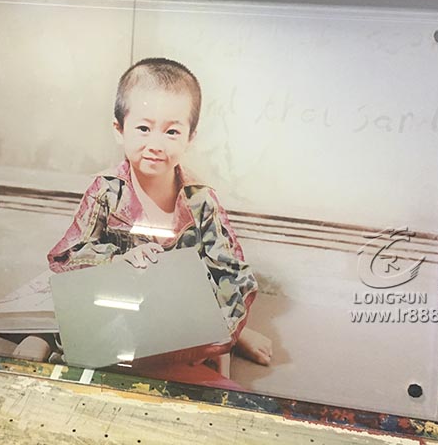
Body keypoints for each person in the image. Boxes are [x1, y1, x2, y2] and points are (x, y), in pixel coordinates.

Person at [46, 58, 272, 373]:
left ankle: (232, 340)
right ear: (119, 130)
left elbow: (232, 272)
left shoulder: (200, 199)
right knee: (60, 315)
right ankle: (41, 337)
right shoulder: (106, 191)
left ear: (190, 137)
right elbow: (68, 254)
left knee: (215, 317)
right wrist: (116, 260)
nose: (155, 144)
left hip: (180, 308)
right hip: (121, 300)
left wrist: (225, 330)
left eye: (171, 132)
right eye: (143, 128)